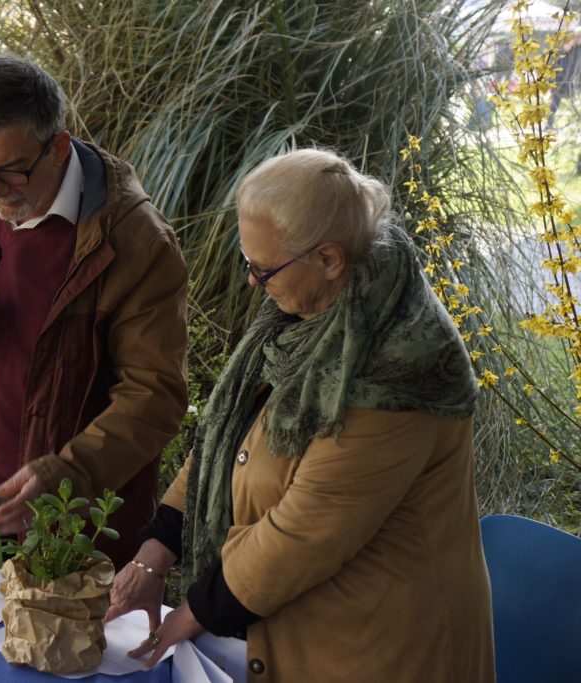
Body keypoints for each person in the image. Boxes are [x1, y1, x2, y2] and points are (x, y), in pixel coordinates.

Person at [106, 148, 495, 682]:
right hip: (304, 638)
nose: (251, 282)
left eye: (262, 269)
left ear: (330, 258)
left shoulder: (399, 363)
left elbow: (305, 532)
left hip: (385, 651)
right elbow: (226, 436)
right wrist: (156, 553)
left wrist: (193, 614)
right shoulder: (308, 310)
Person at [0, 56, 188, 569]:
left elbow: (155, 396)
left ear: (58, 147)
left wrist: (66, 474)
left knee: (66, 646)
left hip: (79, 506)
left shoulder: (137, 243)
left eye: (10, 172)